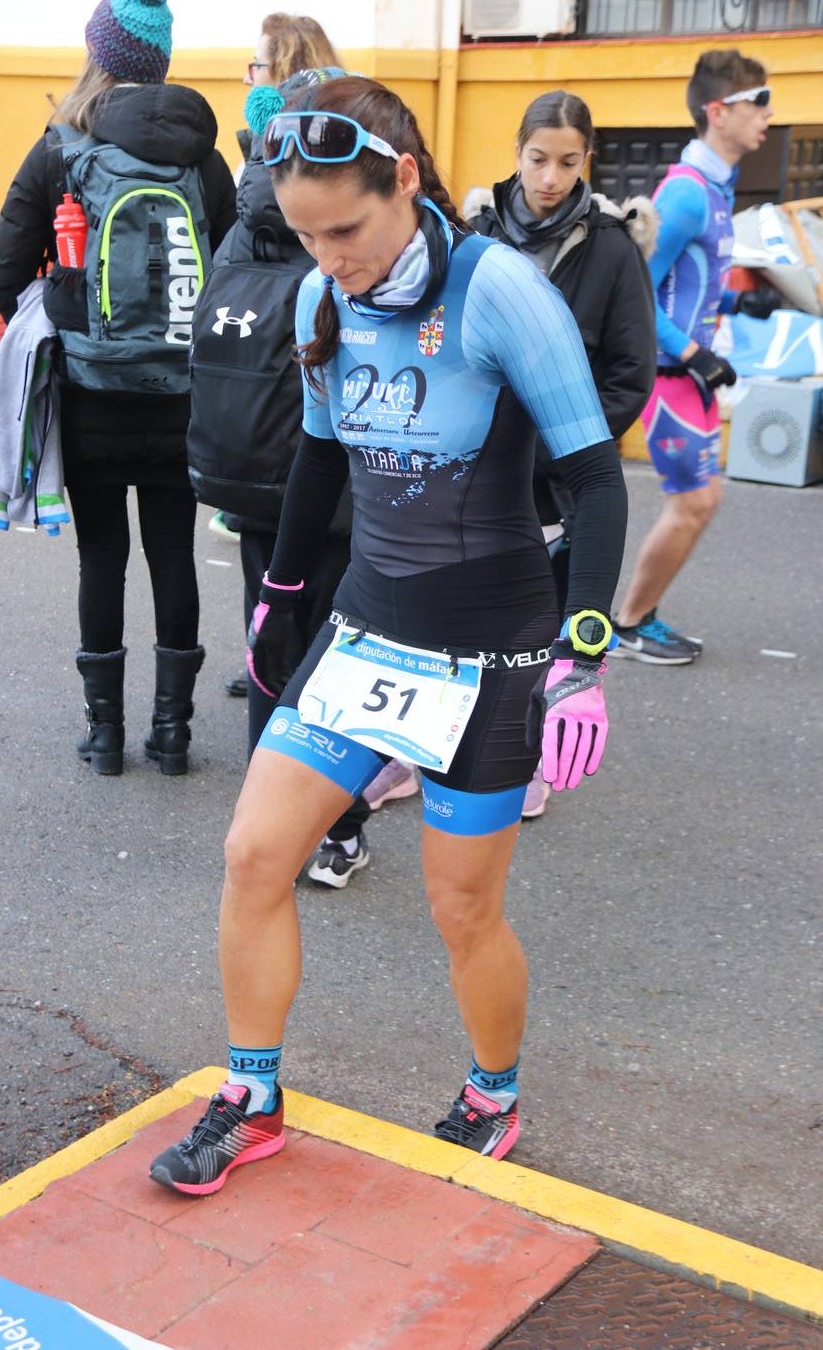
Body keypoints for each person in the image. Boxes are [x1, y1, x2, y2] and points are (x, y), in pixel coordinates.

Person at [149, 75, 627, 1196]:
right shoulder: (325, 297)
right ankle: (254, 1098)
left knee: (463, 907)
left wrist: (582, 660)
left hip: (491, 644)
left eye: (347, 228)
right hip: (368, 629)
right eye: (308, 234)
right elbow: (319, 458)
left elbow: (597, 487)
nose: (332, 258)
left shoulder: (500, 291)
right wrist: (279, 590)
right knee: (255, 854)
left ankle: (492, 1095)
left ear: (404, 180)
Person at [0, 0, 237, 775]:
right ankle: (174, 733)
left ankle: (105, 736)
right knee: (173, 555)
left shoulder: (61, 148)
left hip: (91, 390)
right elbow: (228, 270)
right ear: (159, 63)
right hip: (180, 394)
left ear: (98, 55)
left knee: (103, 557)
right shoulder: (203, 154)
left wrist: (58, 321)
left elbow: (2, 268)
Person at [208, 18, 416, 885]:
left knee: (271, 639)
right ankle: (337, 825)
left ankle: (271, 812)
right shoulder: (352, 244)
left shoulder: (245, 222)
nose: (325, 256)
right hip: (344, 483)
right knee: (346, 655)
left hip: (258, 475)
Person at [467, 89, 657, 816]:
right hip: (482, 468)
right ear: (517, 153)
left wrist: (558, 444)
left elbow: (631, 376)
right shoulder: (477, 233)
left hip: (565, 477)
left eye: (568, 162)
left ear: (588, 162)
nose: (551, 178)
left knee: (544, 626)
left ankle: (530, 758)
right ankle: (432, 752)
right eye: (539, 159)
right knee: (471, 617)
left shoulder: (611, 247)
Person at [610, 49, 776, 664]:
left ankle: (638, 616)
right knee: (695, 502)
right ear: (716, 111)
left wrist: (737, 311)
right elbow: (637, 291)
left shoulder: (715, 188)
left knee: (700, 503)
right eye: (757, 102)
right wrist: (692, 353)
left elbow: (692, 287)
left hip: (692, 374)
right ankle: (627, 625)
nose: (767, 114)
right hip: (670, 376)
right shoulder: (685, 194)